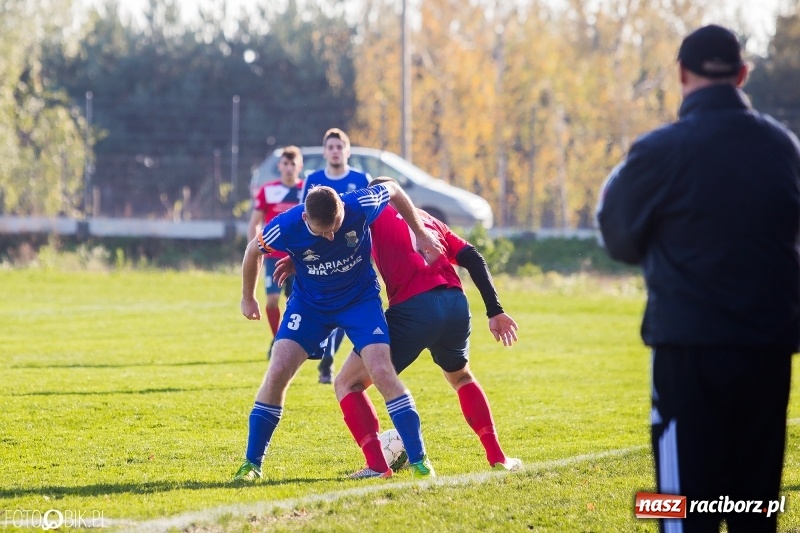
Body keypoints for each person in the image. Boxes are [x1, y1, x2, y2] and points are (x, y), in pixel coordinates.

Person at [596, 24, 800, 533]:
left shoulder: (661, 148)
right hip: (767, 351)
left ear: (682, 74)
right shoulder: (784, 149)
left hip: (690, 351)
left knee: (682, 510)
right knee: (756, 508)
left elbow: (617, 237)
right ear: (743, 74)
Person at [275, 177, 523, 478]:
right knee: (460, 376)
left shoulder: (369, 214)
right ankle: (497, 455)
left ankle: (378, 466)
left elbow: (331, 238)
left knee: (347, 383)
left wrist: (295, 260)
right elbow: (471, 257)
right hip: (456, 304)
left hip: (414, 308)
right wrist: (495, 311)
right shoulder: (427, 219)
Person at [234, 183, 445, 482]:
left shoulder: (360, 202)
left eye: (336, 227)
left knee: (382, 371)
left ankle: (420, 461)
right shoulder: (286, 225)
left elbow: (395, 189)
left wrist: (421, 233)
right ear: (306, 219)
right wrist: (248, 296)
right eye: (324, 233)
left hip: (359, 302)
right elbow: (253, 249)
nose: (331, 236)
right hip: (310, 306)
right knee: (278, 368)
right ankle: (251, 464)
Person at [301, 128, 372, 384]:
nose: (335, 151)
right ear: (324, 151)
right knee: (328, 304)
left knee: (348, 304)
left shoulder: (361, 178)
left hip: (354, 256)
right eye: (330, 147)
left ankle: (327, 356)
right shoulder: (313, 179)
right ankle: (325, 352)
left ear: (347, 150)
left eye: (339, 147)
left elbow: (371, 217)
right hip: (322, 256)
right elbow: (303, 217)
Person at [246, 146, 304, 357]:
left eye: (293, 163)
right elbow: (254, 223)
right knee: (272, 300)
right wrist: (253, 250)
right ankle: (278, 338)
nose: (289, 168)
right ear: (279, 166)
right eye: (285, 163)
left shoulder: (306, 190)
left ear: (300, 166)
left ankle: (292, 340)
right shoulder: (268, 190)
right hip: (272, 256)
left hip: (298, 257)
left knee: (295, 301)